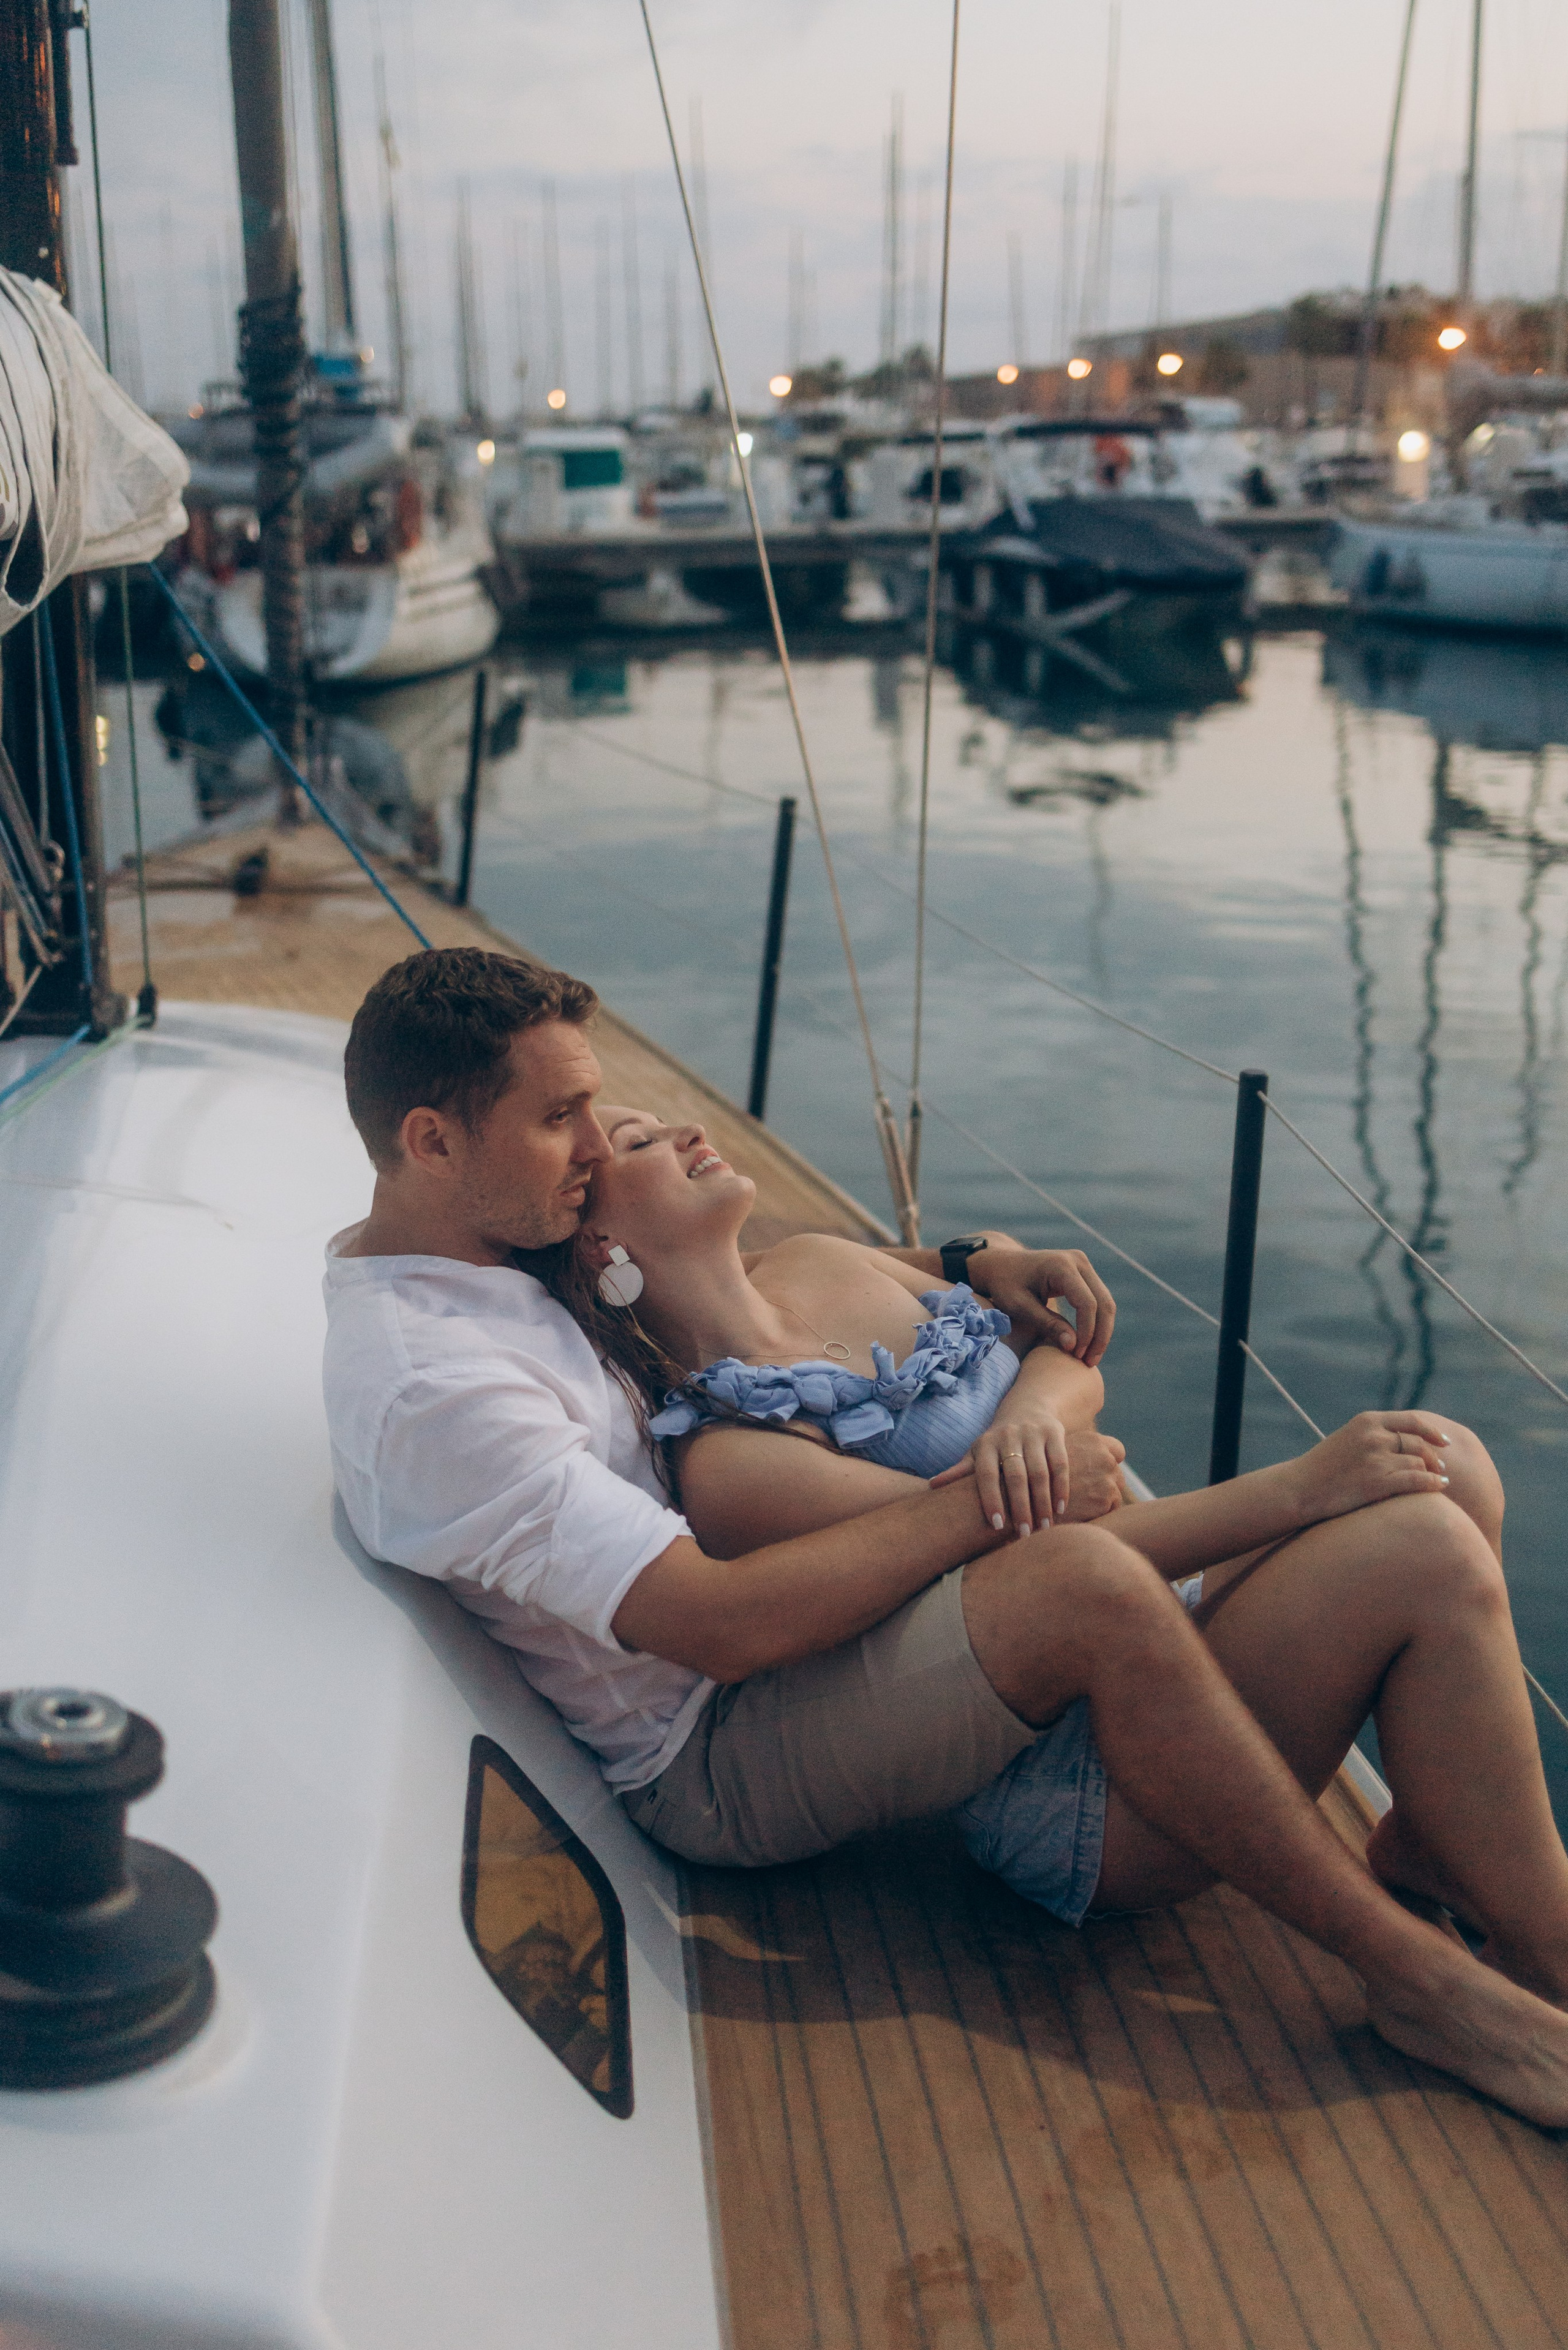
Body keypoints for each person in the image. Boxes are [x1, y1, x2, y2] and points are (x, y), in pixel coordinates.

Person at [322, 946, 1568, 2129]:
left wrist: (972, 1260)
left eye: (605, 1116)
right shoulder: (443, 1382)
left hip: (821, 1623)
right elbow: (718, 1619)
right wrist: (1003, 1495)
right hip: (707, 1736)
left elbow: (755, 1283)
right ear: (431, 1142)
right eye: (566, 1120)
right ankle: (1422, 1976)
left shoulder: (505, 1236)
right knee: (1085, 1570)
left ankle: (1448, 1855)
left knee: (1440, 1470)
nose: (598, 1145)